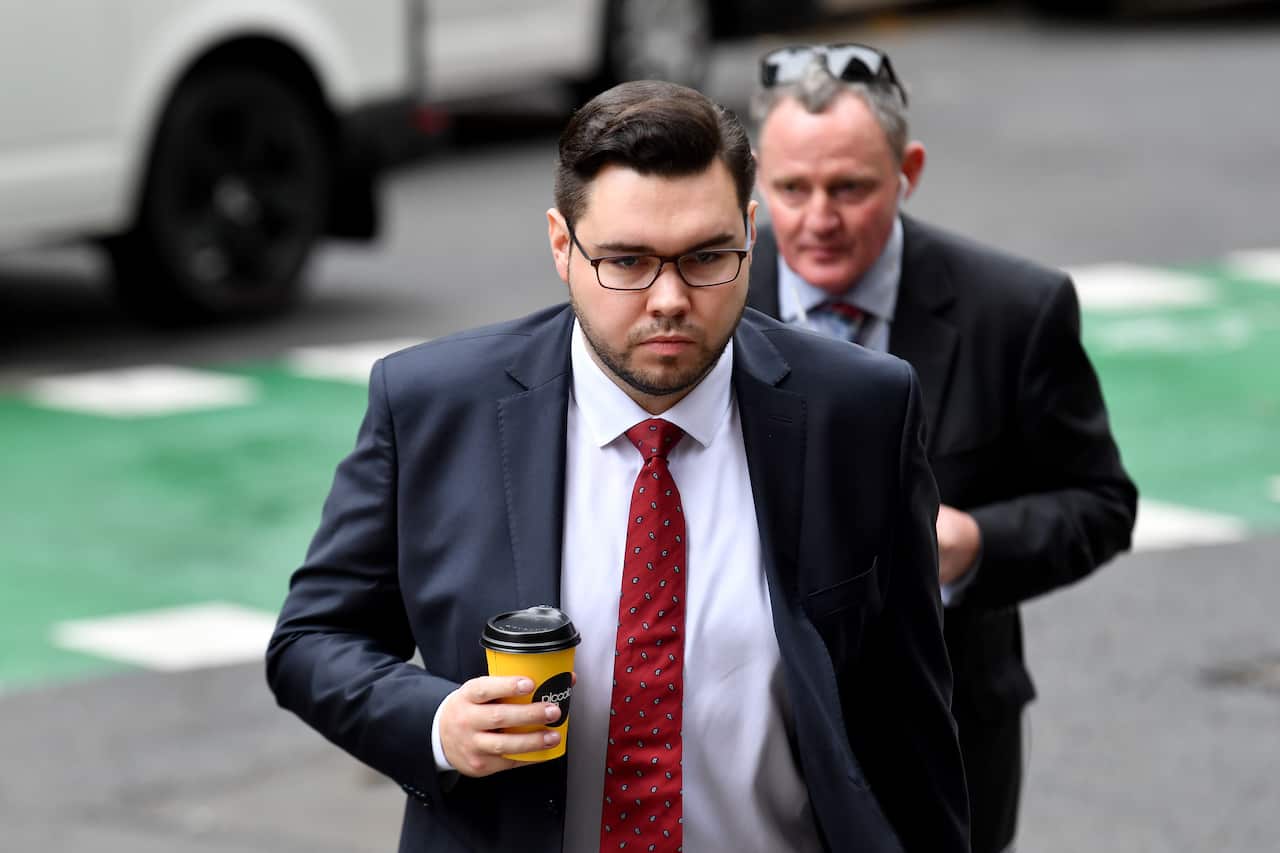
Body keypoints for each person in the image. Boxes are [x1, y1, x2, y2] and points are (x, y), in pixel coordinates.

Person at [266, 80, 968, 853]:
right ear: (563, 245)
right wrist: (436, 724)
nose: (669, 299)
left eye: (706, 257)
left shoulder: (859, 411)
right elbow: (313, 639)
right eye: (627, 261)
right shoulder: (432, 405)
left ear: (750, 233)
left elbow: (914, 727)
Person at [748, 44, 1139, 853]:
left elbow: (1100, 503)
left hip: (947, 728)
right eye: (791, 189)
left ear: (907, 170)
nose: (818, 219)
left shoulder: (1014, 309)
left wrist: (974, 545)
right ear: (756, 179)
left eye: (850, 188)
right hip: (747, 722)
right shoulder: (708, 299)